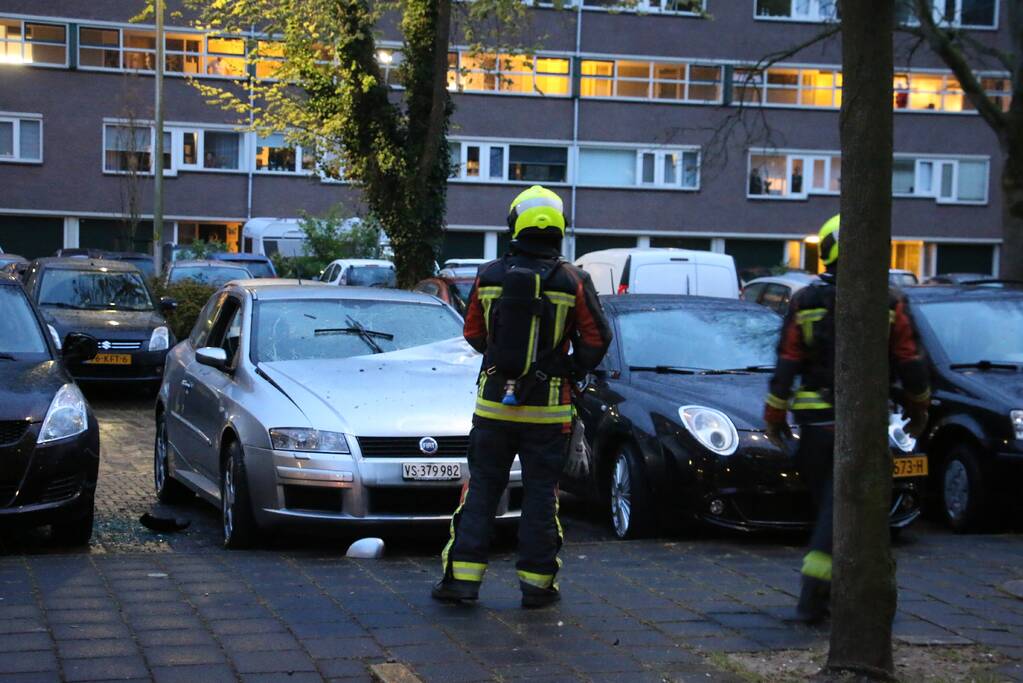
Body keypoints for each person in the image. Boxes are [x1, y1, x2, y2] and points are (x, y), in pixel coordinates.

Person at [433, 185, 612, 609]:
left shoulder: (490, 274)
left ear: (516, 224)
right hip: (548, 414)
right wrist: (568, 368)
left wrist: (503, 361)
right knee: (539, 497)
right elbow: (597, 338)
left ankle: (461, 583)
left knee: (480, 493)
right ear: (559, 228)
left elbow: (473, 333)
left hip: (493, 407)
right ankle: (537, 586)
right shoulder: (573, 280)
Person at [762, 214, 931, 623]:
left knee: (831, 509)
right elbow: (910, 360)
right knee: (840, 514)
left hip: (814, 427)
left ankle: (831, 597)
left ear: (827, 251)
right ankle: (813, 596)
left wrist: (775, 414)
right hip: (861, 425)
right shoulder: (889, 300)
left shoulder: (804, 301)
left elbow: (786, 362)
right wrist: (919, 405)